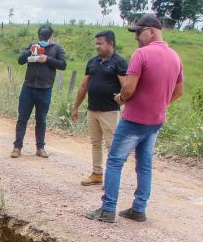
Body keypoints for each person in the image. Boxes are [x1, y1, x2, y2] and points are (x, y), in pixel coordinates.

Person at [85, 14, 184, 223]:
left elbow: (129, 89)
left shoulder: (141, 54)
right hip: (155, 121)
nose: (136, 37)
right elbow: (179, 91)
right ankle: (139, 209)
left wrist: (120, 99)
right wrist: (160, 105)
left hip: (134, 120)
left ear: (152, 31)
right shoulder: (175, 57)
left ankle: (108, 209)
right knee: (145, 164)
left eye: (139, 32)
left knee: (114, 161)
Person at [72, 30, 128, 186]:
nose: (97, 46)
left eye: (100, 43)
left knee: (111, 145)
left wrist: (124, 103)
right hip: (92, 110)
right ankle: (97, 174)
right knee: (95, 143)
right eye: (96, 43)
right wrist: (76, 107)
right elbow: (84, 86)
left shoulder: (119, 62)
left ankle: (111, 179)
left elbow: (126, 87)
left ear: (110, 44)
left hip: (110, 111)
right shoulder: (92, 62)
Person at [11, 25, 67, 159]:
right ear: (38, 36)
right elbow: (20, 60)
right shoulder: (32, 46)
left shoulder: (56, 48)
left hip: (45, 89)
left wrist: (47, 59)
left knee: (41, 119)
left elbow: (63, 65)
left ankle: (40, 148)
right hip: (28, 87)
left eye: (46, 38)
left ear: (51, 36)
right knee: (22, 118)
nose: (43, 40)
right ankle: (17, 147)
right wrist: (30, 52)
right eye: (41, 37)